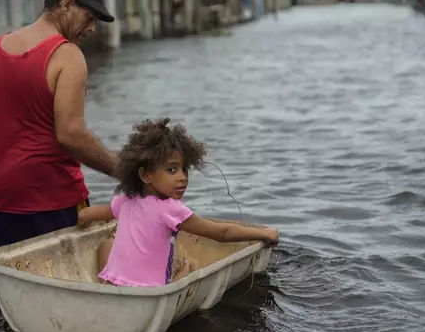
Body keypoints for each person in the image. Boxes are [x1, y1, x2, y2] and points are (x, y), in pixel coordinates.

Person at [0, 0, 120, 265]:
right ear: (66, 5)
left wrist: (15, 123)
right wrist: (121, 170)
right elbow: (71, 134)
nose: (92, 28)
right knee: (63, 287)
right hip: (48, 200)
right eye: (89, 17)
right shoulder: (67, 55)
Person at [77, 118, 280, 287]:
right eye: (172, 170)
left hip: (115, 287)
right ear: (145, 175)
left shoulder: (125, 200)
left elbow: (85, 215)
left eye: (185, 169)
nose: (182, 177)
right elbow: (222, 233)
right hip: (150, 293)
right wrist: (264, 233)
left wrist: (80, 220)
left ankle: (106, 283)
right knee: (188, 269)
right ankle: (182, 272)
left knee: (106, 243)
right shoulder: (171, 210)